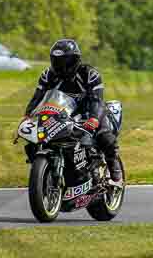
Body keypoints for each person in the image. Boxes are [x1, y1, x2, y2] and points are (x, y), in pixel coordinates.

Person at [22, 39, 123, 183]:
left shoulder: (89, 74)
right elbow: (38, 96)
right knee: (35, 139)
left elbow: (97, 100)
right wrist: (28, 114)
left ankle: (113, 164)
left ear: (75, 60)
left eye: (65, 61)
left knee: (104, 135)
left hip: (89, 112)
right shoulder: (48, 75)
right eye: (56, 61)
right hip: (63, 114)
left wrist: (94, 118)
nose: (61, 65)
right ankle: (46, 172)